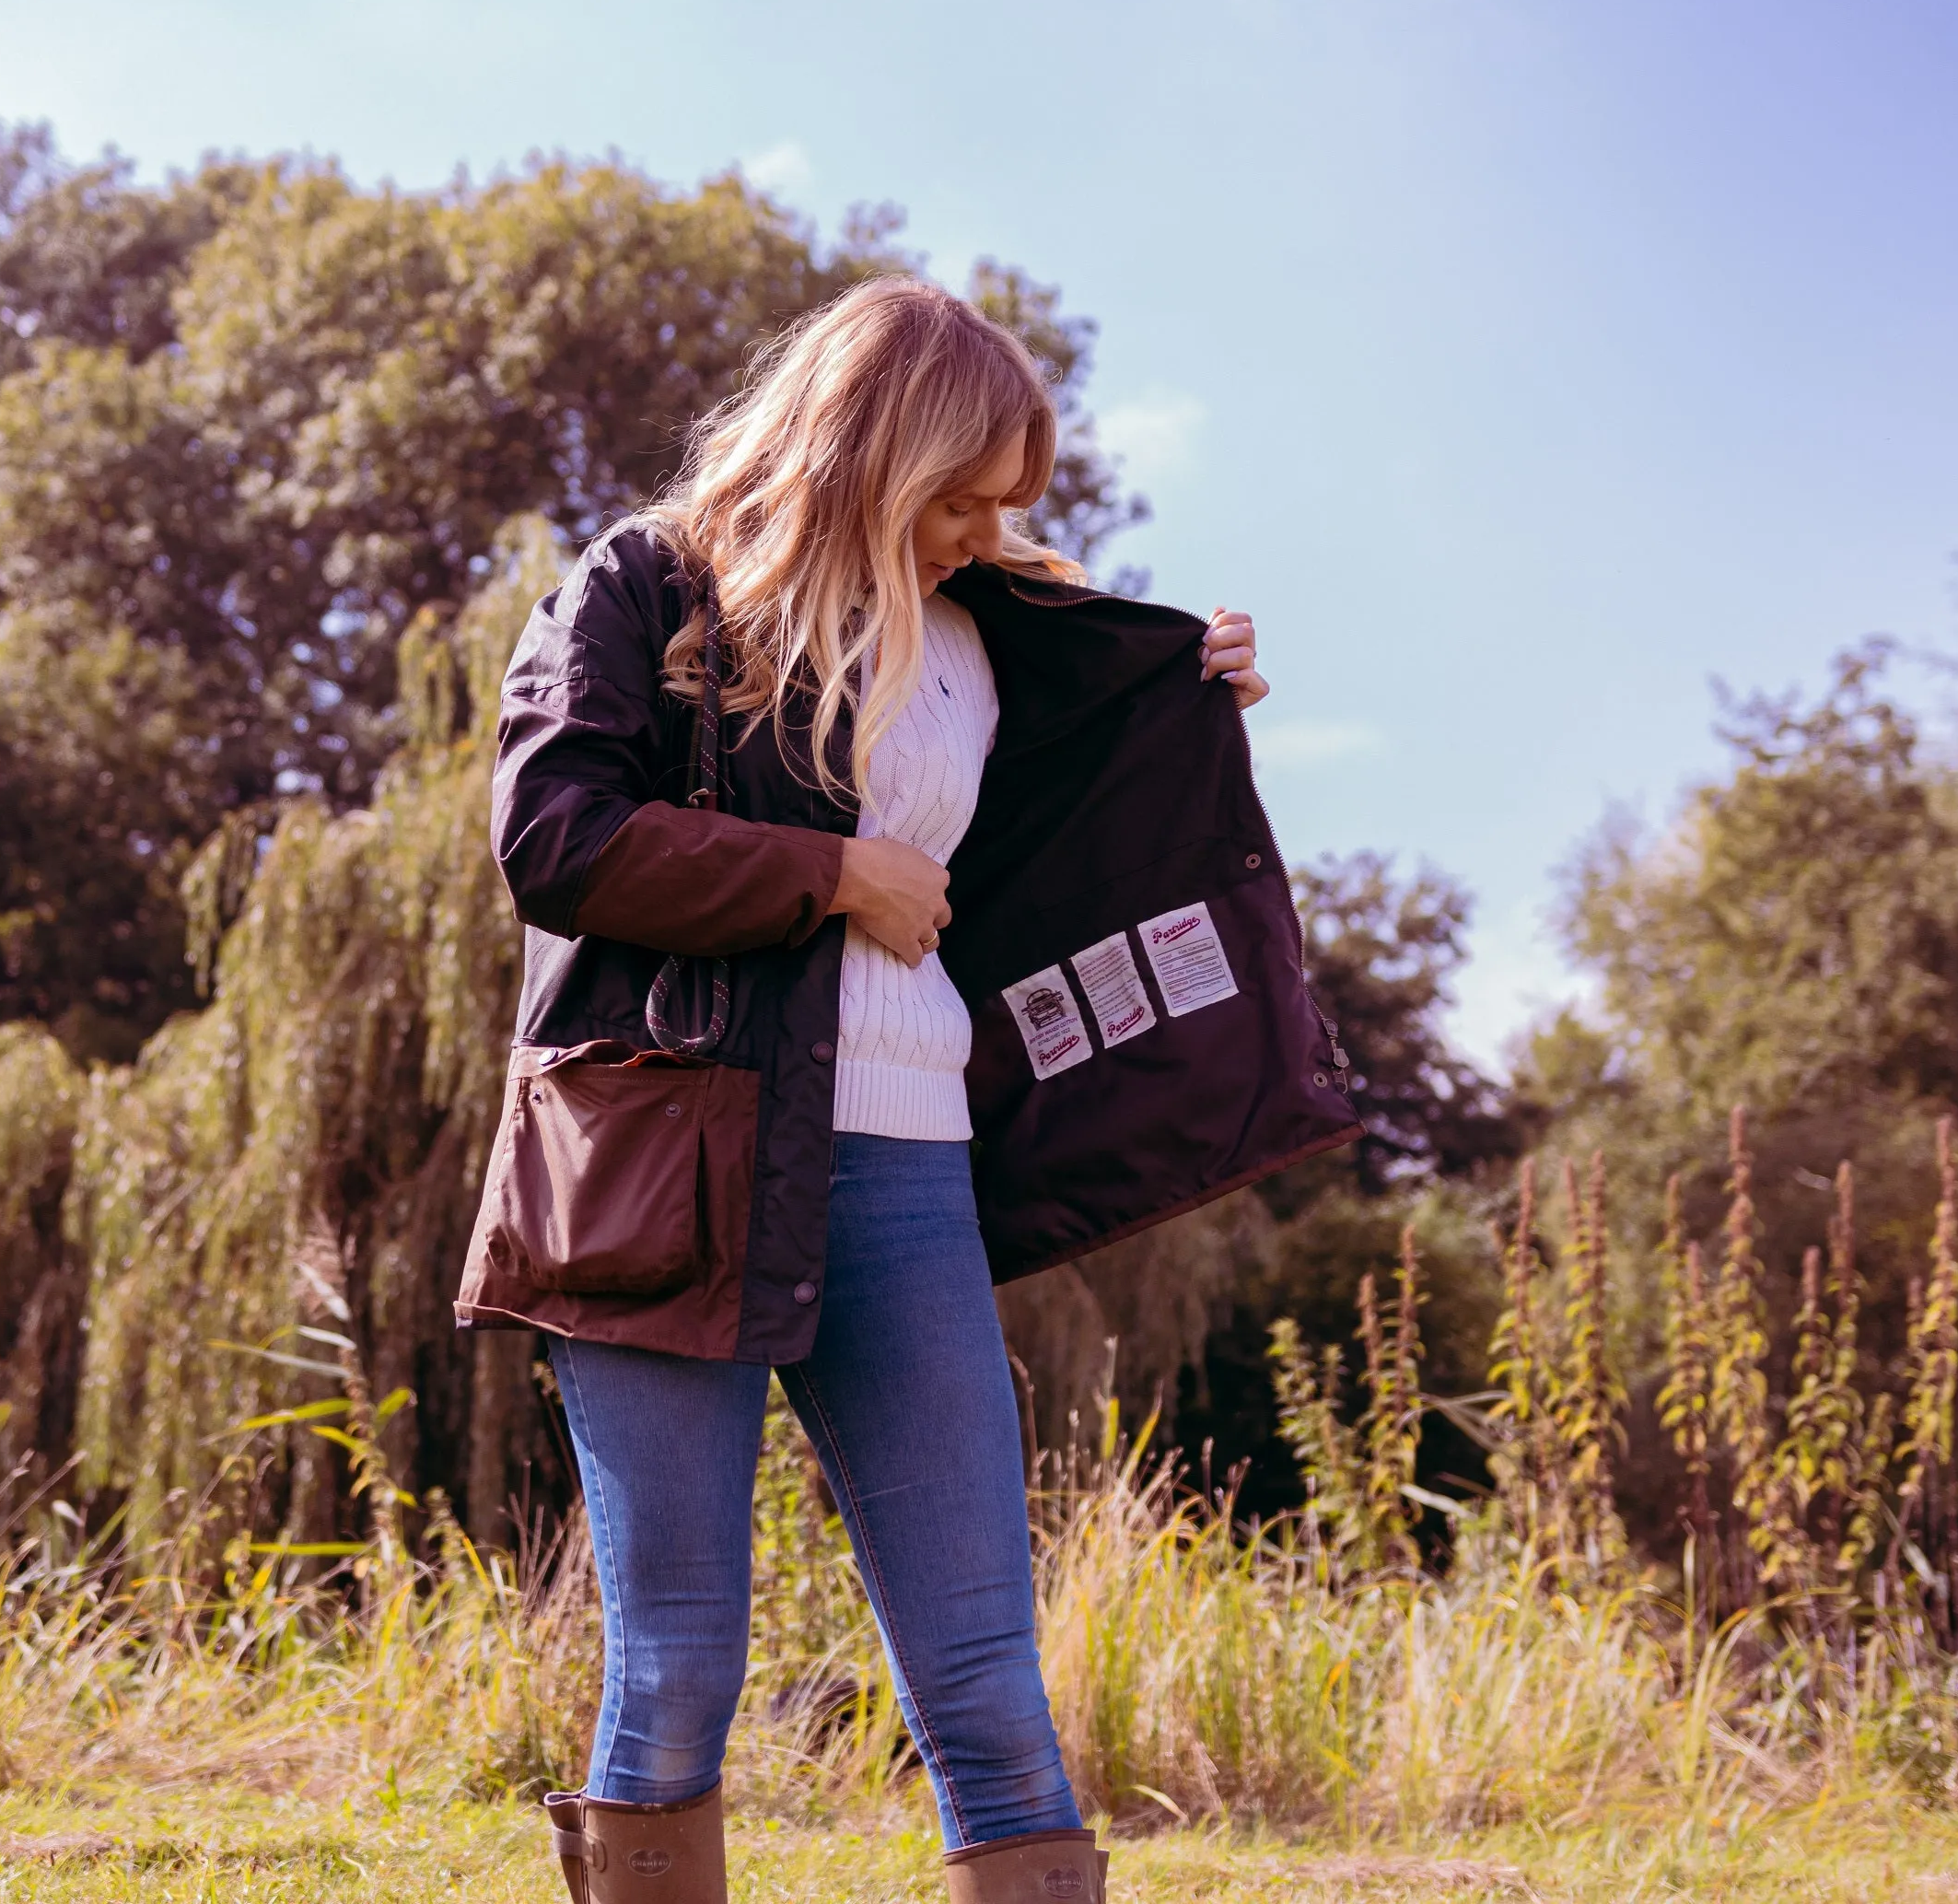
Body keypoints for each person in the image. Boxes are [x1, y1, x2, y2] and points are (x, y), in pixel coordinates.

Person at [459, 277, 1358, 1904]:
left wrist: (1176, 691)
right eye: (958, 494)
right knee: (679, 1658)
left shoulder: (986, 634)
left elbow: (1044, 857)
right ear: (867, 450)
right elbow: (554, 841)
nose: (980, 529)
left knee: (984, 1670)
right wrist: (830, 875)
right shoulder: (649, 587)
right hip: (674, 1165)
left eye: (1008, 504)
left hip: (909, 1158)